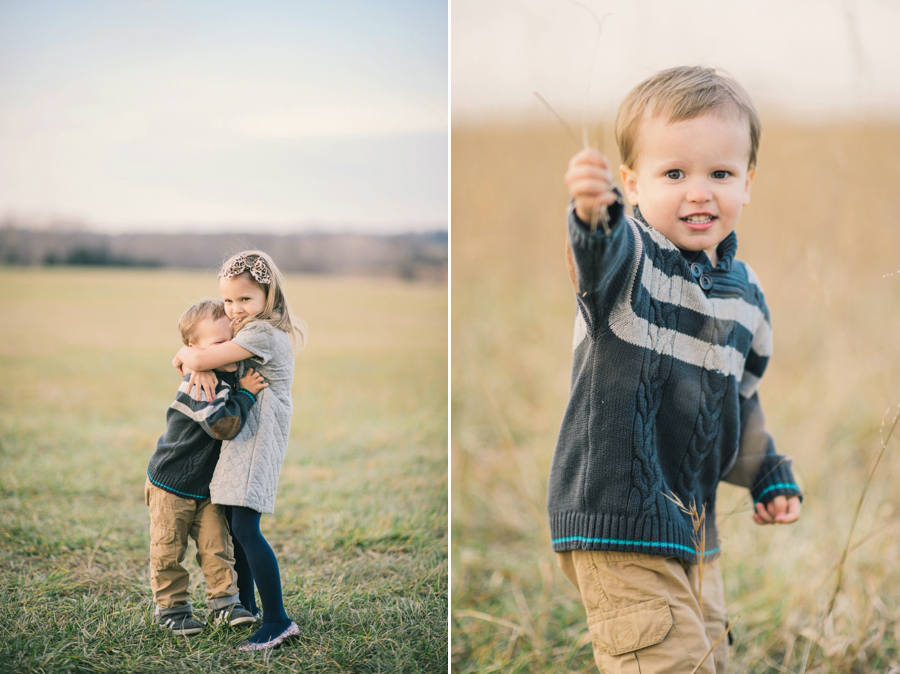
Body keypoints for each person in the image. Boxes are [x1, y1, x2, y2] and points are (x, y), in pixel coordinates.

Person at [548, 66, 803, 672]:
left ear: (748, 183)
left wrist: (768, 472)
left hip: (696, 534)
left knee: (709, 656)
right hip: (620, 528)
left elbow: (738, 400)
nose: (699, 191)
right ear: (632, 184)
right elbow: (597, 253)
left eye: (720, 173)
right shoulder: (629, 261)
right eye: (674, 173)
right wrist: (592, 213)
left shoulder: (747, 295)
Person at [173, 250, 308, 651]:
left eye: (244, 299)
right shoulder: (249, 328)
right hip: (243, 434)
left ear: (269, 294)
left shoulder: (261, 333)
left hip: (258, 436)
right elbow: (203, 359)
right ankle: (245, 608)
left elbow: (195, 354)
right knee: (236, 527)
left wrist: (189, 357)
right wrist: (197, 362)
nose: (233, 309)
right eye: (228, 300)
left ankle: (277, 621)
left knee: (247, 528)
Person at [146, 298, 268, 636]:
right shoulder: (199, 384)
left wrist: (194, 359)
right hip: (171, 484)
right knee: (168, 549)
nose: (227, 350)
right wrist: (245, 395)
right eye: (218, 346)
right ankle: (173, 608)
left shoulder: (223, 368)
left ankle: (225, 604)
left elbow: (190, 354)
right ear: (194, 348)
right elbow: (223, 425)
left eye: (232, 341)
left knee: (217, 548)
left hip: (208, 487)